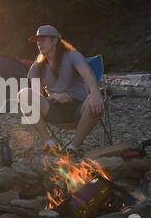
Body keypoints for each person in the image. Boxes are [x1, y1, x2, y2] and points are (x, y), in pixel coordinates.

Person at [19, 25, 104, 157]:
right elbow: (37, 96)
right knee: (24, 94)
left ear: (55, 40)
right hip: (55, 110)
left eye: (43, 39)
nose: (39, 43)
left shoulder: (72, 56)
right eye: (37, 41)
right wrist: (53, 98)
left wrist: (95, 94)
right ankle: (49, 143)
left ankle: (73, 147)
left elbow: (87, 73)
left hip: (79, 109)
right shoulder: (37, 67)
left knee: (93, 100)